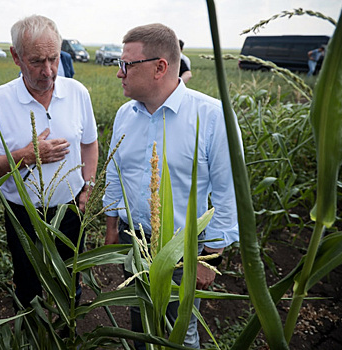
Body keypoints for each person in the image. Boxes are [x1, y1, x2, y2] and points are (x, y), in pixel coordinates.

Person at [103, 23, 241, 348]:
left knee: (180, 331)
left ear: (159, 67)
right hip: (132, 241)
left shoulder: (212, 117)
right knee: (141, 323)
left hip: (183, 252)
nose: (119, 73)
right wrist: (112, 227)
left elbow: (227, 192)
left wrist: (211, 258)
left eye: (126, 64)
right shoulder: (125, 115)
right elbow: (115, 174)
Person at [0, 15, 98, 308]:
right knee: (27, 281)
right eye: (36, 61)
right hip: (23, 213)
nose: (48, 71)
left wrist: (89, 185)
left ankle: (66, 325)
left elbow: (90, 142)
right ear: (15, 56)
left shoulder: (77, 92)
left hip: (70, 210)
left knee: (69, 278)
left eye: (53, 59)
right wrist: (28, 156)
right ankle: (31, 327)